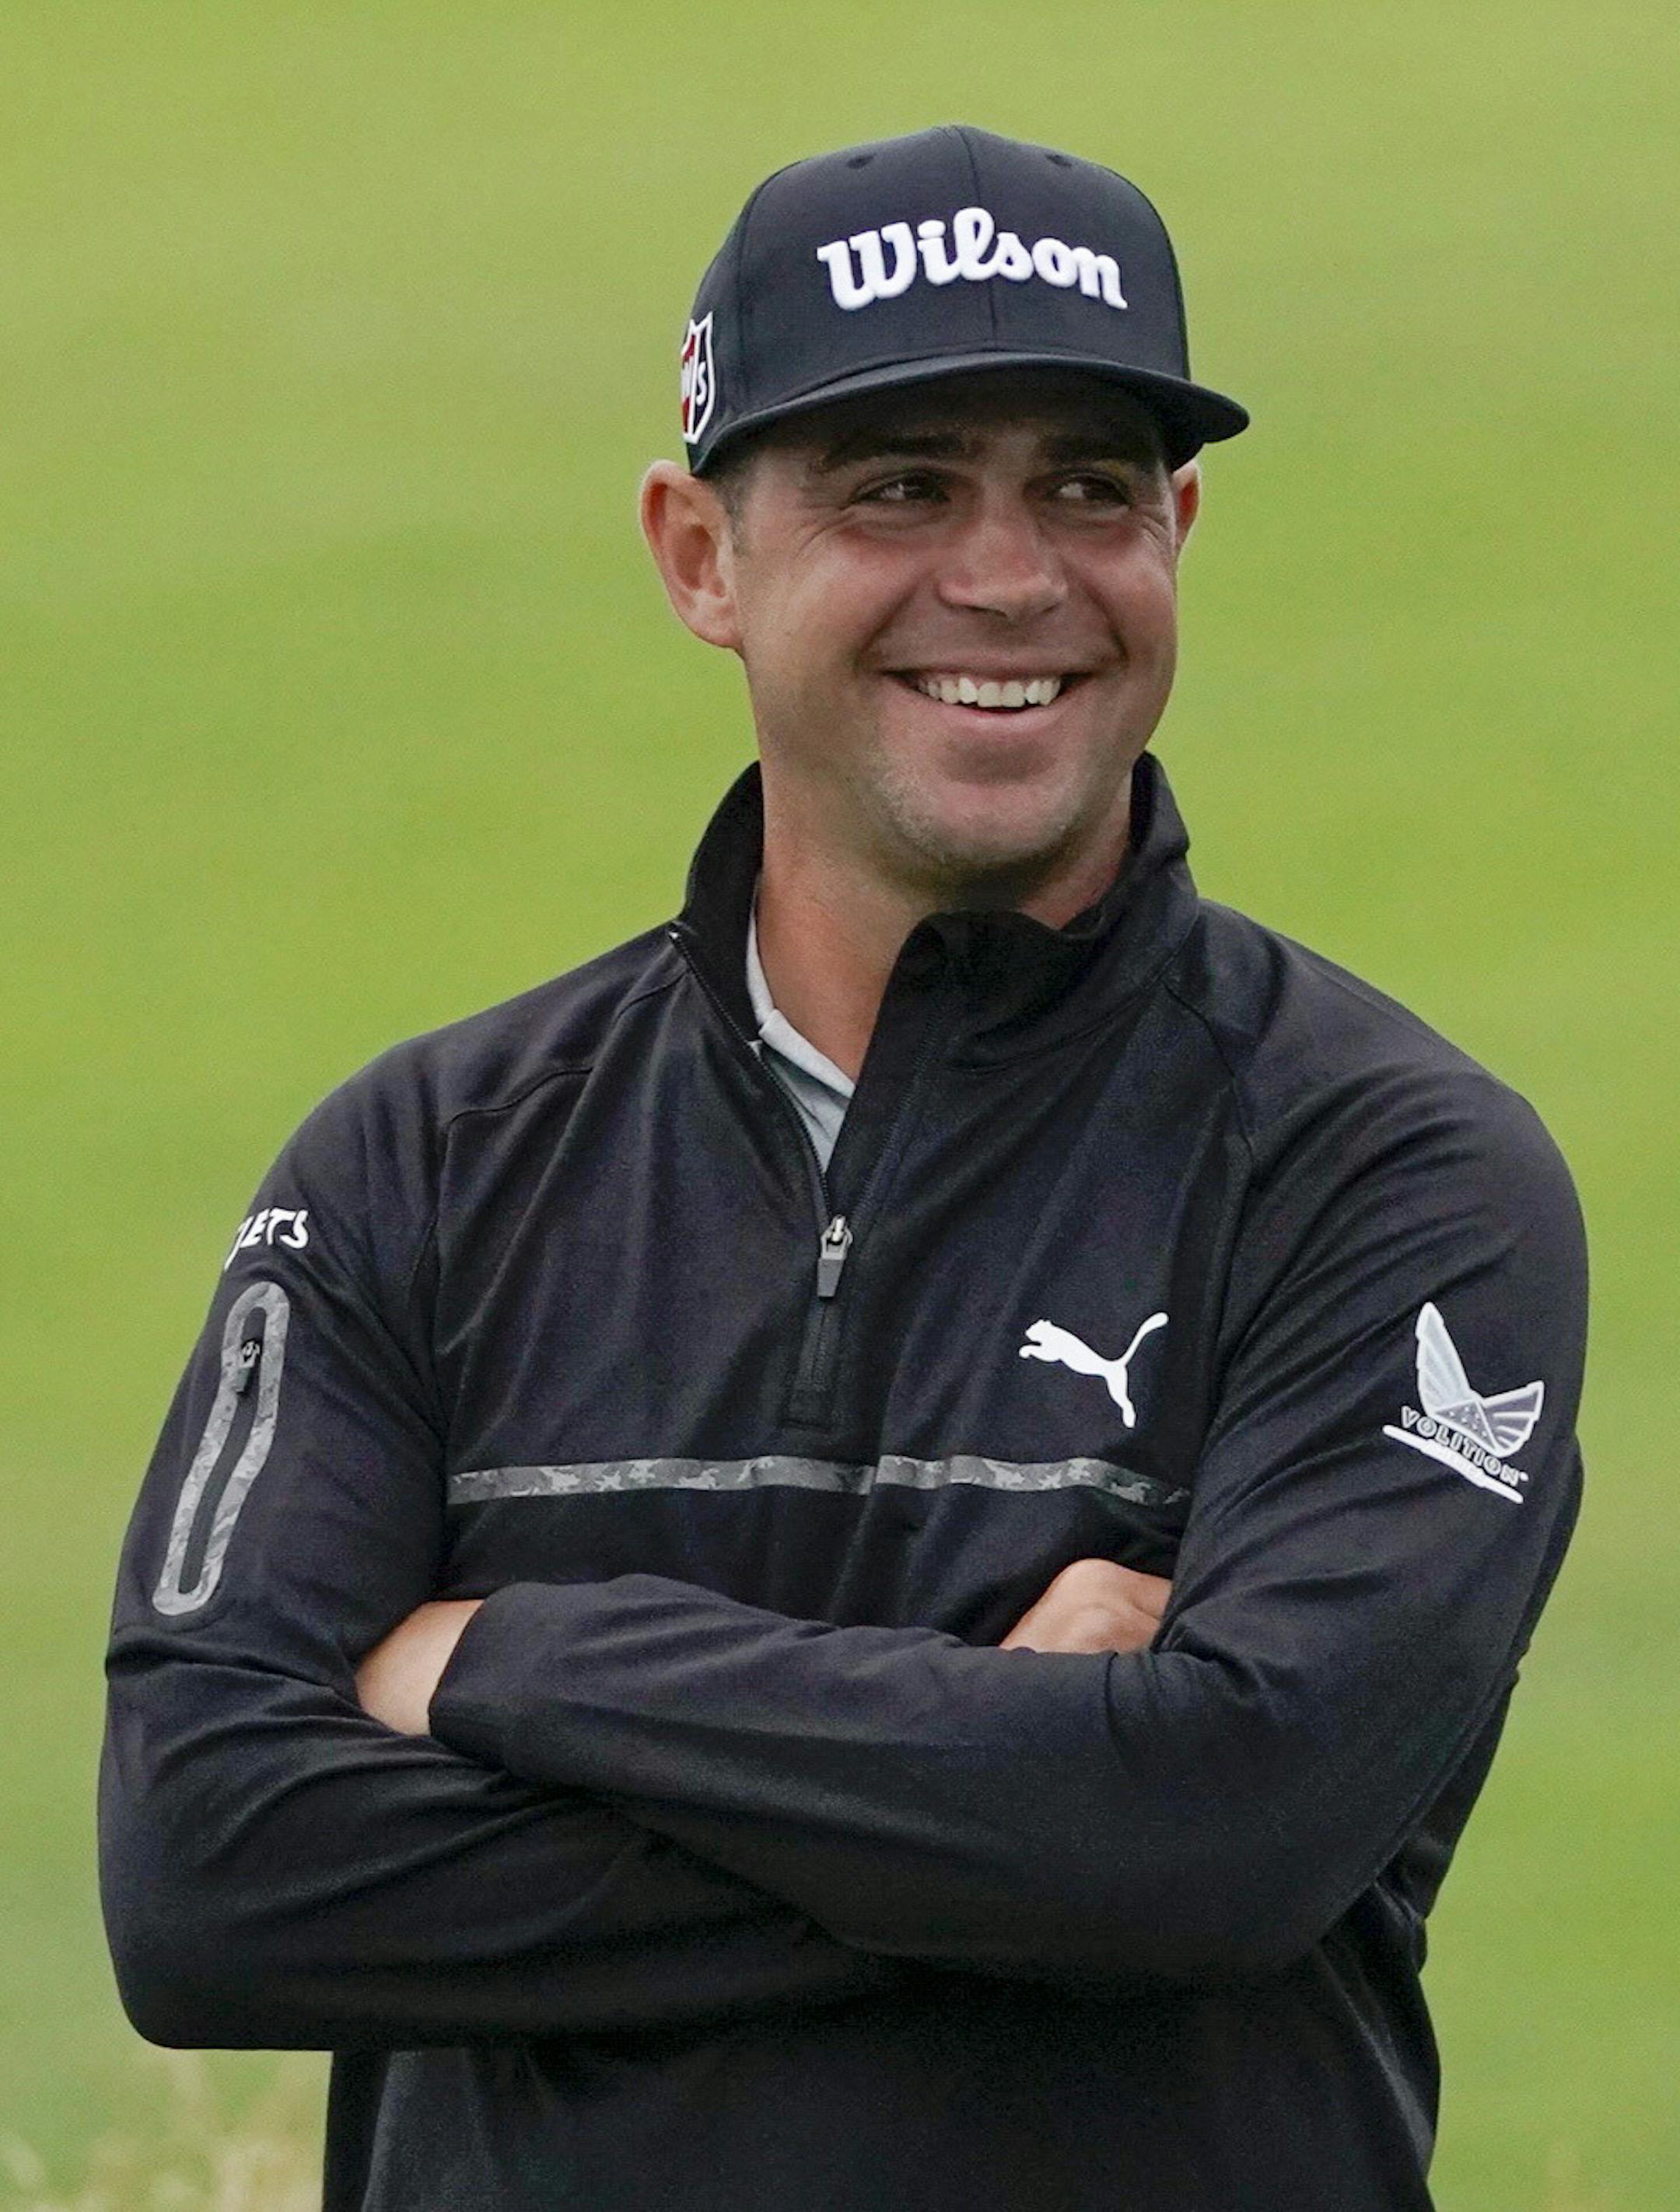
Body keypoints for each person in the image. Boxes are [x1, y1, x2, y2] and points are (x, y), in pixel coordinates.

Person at [99, 124, 1587, 2212]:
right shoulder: (414, 1172)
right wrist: (1022, 1783)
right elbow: (208, 1879)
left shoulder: (1390, 1174)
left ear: (1180, 527)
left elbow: (1225, 1834)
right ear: (698, 555)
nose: (1007, 575)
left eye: (1086, 487)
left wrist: (514, 1661)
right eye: (900, 485)